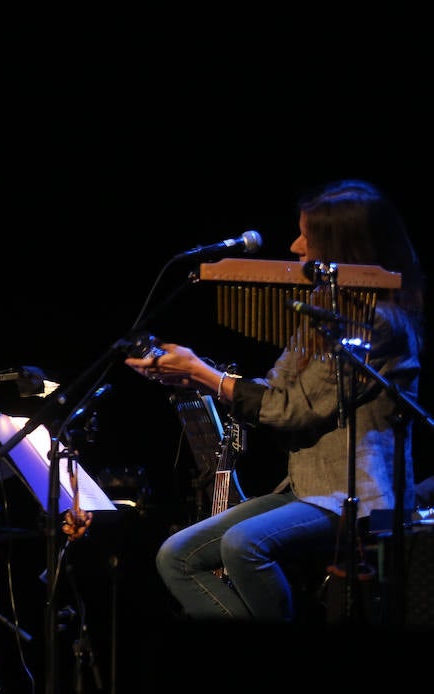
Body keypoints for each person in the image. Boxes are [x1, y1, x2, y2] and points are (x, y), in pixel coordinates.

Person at [125, 179, 423, 621]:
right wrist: (194, 378)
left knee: (243, 545)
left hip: (361, 497)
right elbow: (277, 390)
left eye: (308, 236)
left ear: (341, 246)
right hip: (309, 488)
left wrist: (202, 372)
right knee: (176, 556)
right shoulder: (324, 312)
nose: (295, 245)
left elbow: (289, 411)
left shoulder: (376, 323)